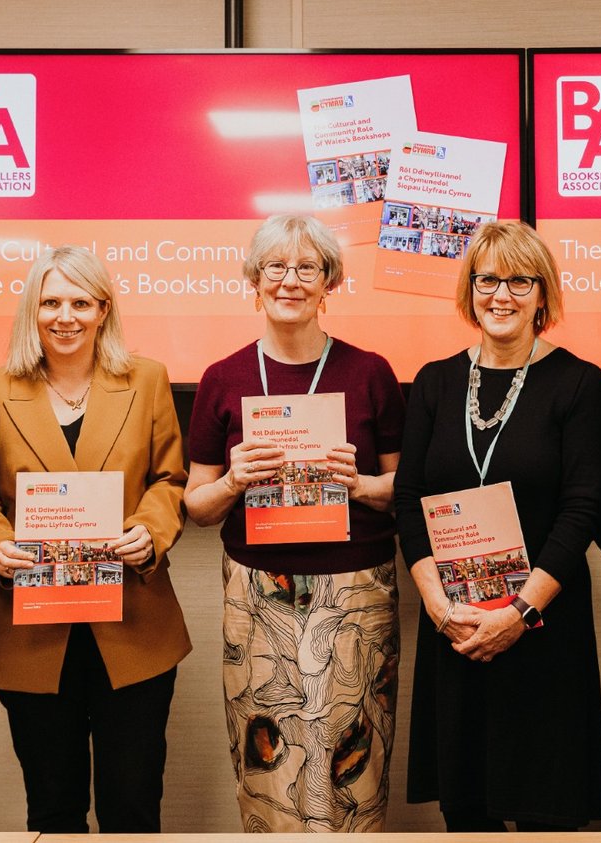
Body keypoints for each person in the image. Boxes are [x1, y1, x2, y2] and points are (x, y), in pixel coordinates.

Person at [184, 214, 405, 832]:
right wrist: (232, 482)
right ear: (254, 280)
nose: (290, 280)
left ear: (329, 282)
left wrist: (360, 484)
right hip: (257, 593)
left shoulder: (370, 372)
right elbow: (196, 505)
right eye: (276, 267)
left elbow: (407, 490)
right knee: (267, 753)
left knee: (355, 753)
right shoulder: (222, 378)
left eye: (308, 268)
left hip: (356, 590)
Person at [0, 244, 191, 833]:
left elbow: (170, 478)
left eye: (80, 303)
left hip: (134, 622)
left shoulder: (147, 380)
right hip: (33, 629)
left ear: (103, 310)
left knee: (133, 807)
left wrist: (150, 531)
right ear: (32, 310)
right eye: (50, 303)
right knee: (53, 809)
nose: (65, 317)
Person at [393, 220, 601, 831]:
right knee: (467, 815)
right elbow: (408, 498)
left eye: (520, 281)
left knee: (546, 813)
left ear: (543, 294)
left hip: (543, 629)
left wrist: (519, 614)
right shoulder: (434, 382)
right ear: (470, 289)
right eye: (487, 280)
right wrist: (438, 606)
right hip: (457, 627)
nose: (501, 295)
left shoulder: (578, 383)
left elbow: (582, 508)